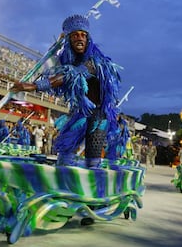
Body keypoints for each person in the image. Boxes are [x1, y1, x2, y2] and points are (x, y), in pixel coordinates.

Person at [11, 14, 123, 168]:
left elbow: (70, 75)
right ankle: (63, 182)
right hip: (81, 112)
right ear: (69, 39)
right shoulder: (70, 59)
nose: (80, 38)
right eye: (75, 35)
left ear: (88, 38)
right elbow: (53, 65)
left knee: (92, 159)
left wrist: (35, 86)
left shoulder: (93, 61)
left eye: (83, 35)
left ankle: (93, 187)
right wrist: (57, 44)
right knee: (64, 153)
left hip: (99, 114)